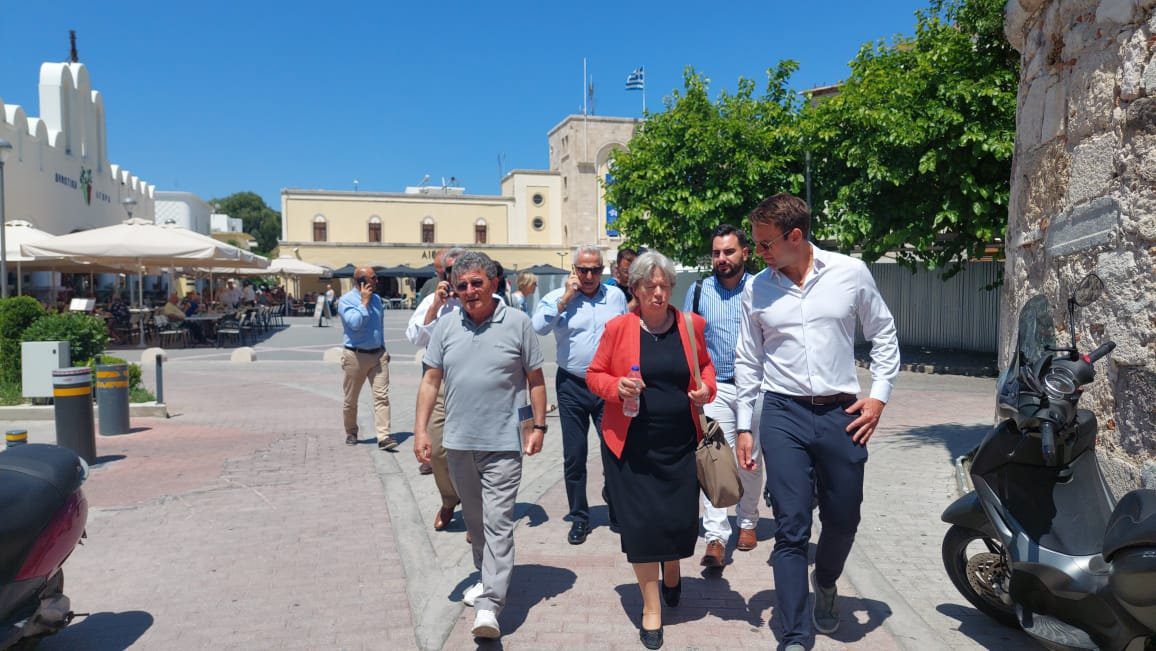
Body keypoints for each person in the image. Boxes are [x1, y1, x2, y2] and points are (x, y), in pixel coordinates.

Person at [734, 193, 900, 651]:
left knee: (843, 518)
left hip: (841, 414)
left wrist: (878, 397)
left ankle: (825, 581)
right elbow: (748, 360)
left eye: (766, 244)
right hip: (782, 413)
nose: (758, 253)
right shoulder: (757, 288)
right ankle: (794, 635)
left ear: (795, 236)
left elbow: (884, 333)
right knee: (791, 527)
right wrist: (745, 426)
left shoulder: (850, 273)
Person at [412, 251, 547, 641]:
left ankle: (490, 605)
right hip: (458, 443)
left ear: (493, 283)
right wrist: (420, 431)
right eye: (462, 285)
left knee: (498, 522)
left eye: (476, 283)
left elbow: (535, 380)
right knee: (475, 523)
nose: (469, 291)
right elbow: (430, 381)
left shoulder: (518, 323)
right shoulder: (445, 326)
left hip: (503, 443)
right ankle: (487, 576)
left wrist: (538, 427)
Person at [586, 250, 715, 650]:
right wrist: (616, 387)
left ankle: (672, 567)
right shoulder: (618, 328)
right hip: (631, 447)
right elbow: (594, 374)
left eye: (664, 286)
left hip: (680, 445)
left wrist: (706, 390)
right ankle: (651, 607)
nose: (658, 293)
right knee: (640, 528)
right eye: (649, 286)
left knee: (676, 522)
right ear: (636, 289)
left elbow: (706, 368)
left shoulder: (691, 325)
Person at [531, 245, 627, 545]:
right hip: (572, 385)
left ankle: (616, 505)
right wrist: (565, 300)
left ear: (602, 270)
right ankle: (579, 516)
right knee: (575, 454)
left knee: (614, 450)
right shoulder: (556, 298)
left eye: (595, 270)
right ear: (574, 270)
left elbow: (625, 334)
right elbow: (538, 327)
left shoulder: (615, 296)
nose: (588, 276)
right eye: (583, 270)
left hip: (607, 384)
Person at [682, 224, 764, 567]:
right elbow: (687, 338)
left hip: (756, 387)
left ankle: (748, 522)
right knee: (715, 459)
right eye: (716, 253)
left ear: (745, 252)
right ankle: (715, 536)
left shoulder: (762, 288)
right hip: (715, 387)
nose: (721, 258)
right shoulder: (699, 291)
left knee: (750, 458)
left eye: (728, 251)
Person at [406, 247, 469, 530]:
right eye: (450, 271)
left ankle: (474, 508)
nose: (456, 276)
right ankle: (449, 499)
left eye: (461, 268)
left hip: (473, 382)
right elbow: (415, 337)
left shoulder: (481, 297)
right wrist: (434, 307)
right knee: (437, 448)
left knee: (473, 451)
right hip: (439, 381)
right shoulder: (433, 300)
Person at [338, 266, 396, 450]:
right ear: (361, 282)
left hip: (378, 355)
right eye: (373, 278)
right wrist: (363, 302)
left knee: (382, 397)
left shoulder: (377, 299)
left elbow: (379, 326)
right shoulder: (346, 301)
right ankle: (351, 431)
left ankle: (383, 436)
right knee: (351, 399)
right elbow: (354, 324)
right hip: (355, 356)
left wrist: (384, 348)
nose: (377, 281)